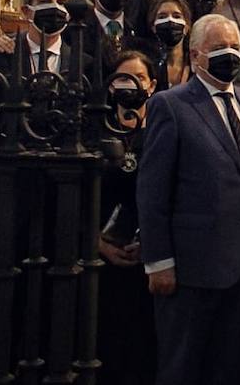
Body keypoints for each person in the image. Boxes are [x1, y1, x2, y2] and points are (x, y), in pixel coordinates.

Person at [138, 14, 240, 385]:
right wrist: (158, 261)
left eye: (235, 48)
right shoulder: (171, 106)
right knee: (182, 367)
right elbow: (153, 190)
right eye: (218, 48)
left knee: (228, 367)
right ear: (196, 55)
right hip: (189, 268)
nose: (229, 54)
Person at [97, 50, 158, 385]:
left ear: (152, 86)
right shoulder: (95, 129)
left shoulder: (163, 129)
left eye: (138, 78)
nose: (130, 85)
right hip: (100, 257)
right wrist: (96, 241)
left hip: (149, 260)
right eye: (122, 78)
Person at [146, 0, 193, 87]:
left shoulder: (196, 63)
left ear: (186, 27)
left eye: (176, 16)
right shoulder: (147, 65)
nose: (170, 21)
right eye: (162, 17)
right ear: (153, 27)